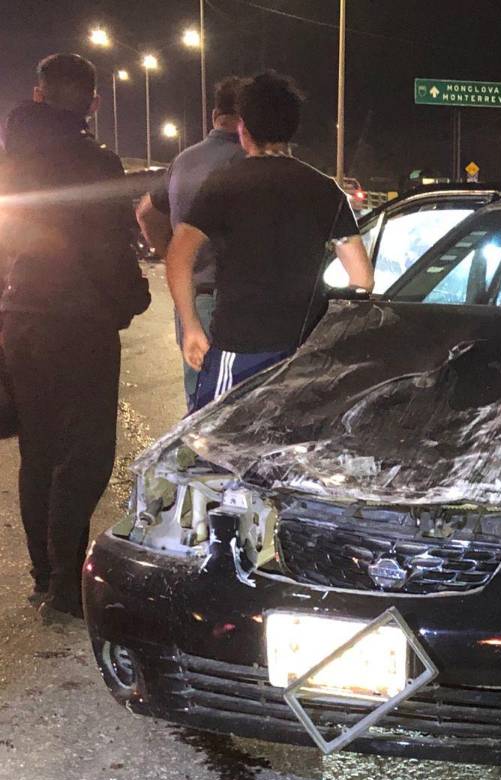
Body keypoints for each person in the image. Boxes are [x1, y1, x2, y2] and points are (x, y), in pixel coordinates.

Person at [0, 54, 150, 618]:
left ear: (38, 94)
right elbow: (109, 248)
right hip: (81, 325)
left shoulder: (11, 161)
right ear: (93, 102)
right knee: (85, 454)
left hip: (21, 320)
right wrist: (131, 298)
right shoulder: (97, 162)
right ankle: (65, 588)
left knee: (37, 450)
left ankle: (46, 576)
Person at [166, 70, 373, 412]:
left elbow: (179, 256)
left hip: (237, 346)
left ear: (243, 128)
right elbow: (362, 279)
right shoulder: (325, 190)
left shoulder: (223, 184)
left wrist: (191, 327)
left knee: (223, 436)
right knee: (287, 439)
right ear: (292, 130)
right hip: (301, 351)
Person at [136, 76, 245, 405]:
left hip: (193, 301)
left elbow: (145, 213)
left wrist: (173, 258)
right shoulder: (251, 163)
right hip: (238, 303)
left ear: (215, 115)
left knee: (200, 403)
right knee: (239, 407)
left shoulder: (183, 161)